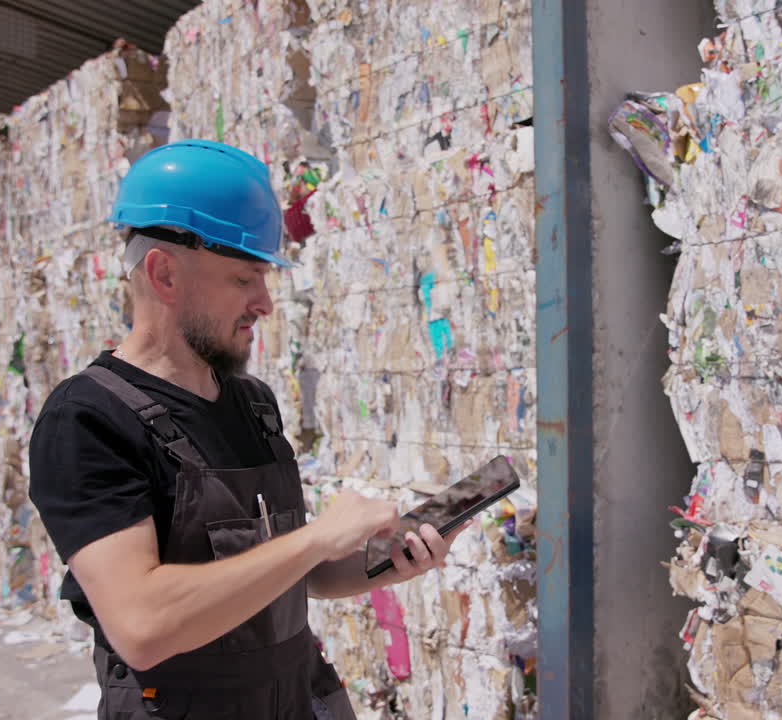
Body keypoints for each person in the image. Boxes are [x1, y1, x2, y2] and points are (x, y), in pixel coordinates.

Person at [28, 139, 469, 719]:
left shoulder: (251, 403)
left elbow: (295, 575)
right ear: (163, 273)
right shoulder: (88, 419)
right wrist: (317, 536)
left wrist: (386, 557)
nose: (264, 303)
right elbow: (142, 624)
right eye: (244, 278)